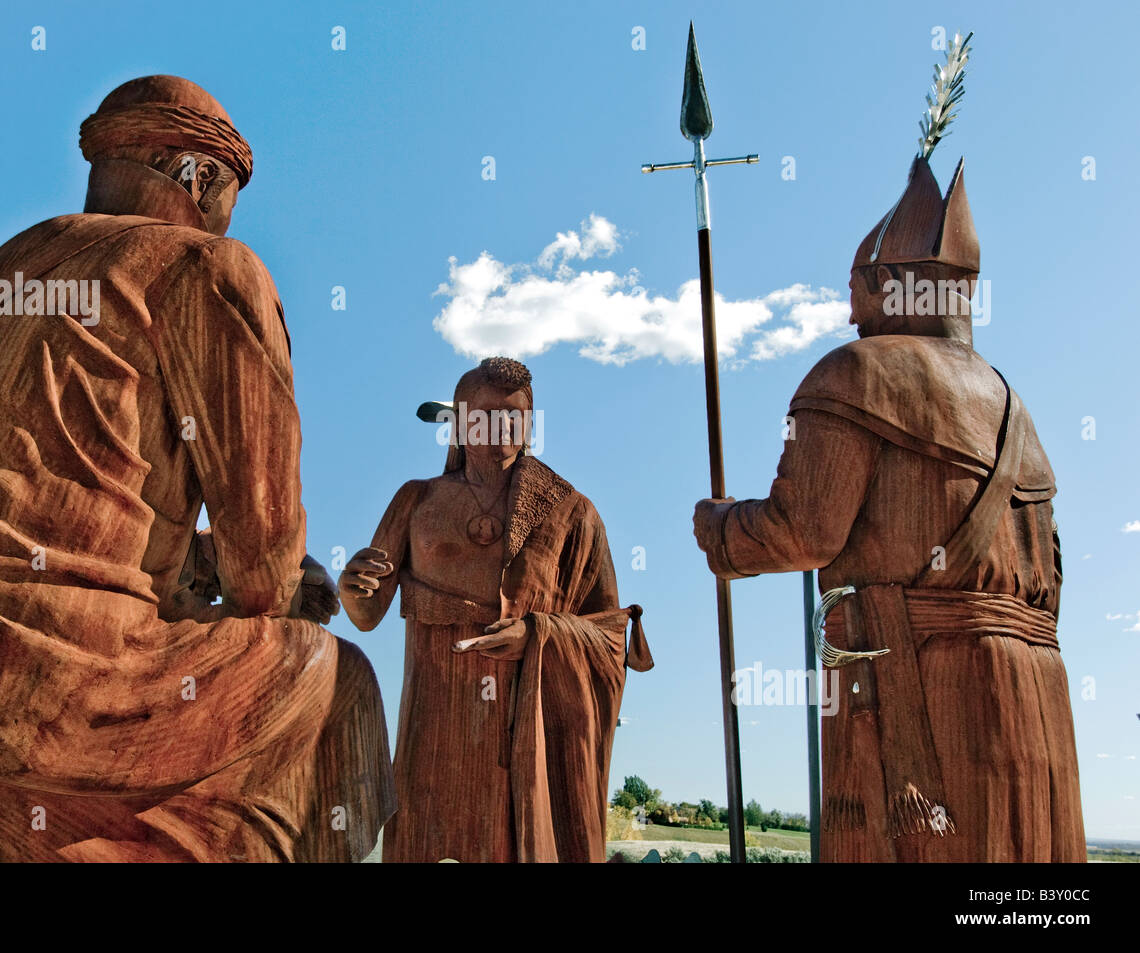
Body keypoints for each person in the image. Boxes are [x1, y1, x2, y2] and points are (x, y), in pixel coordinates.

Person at [0, 75, 394, 862]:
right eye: (229, 196)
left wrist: (187, 562)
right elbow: (265, 573)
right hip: (24, 688)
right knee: (337, 688)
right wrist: (267, 588)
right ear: (198, 178)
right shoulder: (207, 267)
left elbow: (37, 497)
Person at [692, 117, 1086, 860]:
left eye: (858, 289)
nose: (850, 312)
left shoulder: (856, 374)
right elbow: (1055, 574)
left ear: (889, 284)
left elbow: (802, 530)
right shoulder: (1015, 408)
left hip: (919, 696)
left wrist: (719, 529)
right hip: (1036, 709)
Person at [339, 357, 651, 862]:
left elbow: (613, 636)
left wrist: (539, 634)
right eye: (486, 414)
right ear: (460, 423)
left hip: (521, 733)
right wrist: (352, 587)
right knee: (421, 838)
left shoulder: (571, 513)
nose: (502, 426)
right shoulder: (417, 501)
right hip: (433, 726)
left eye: (515, 416)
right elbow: (367, 611)